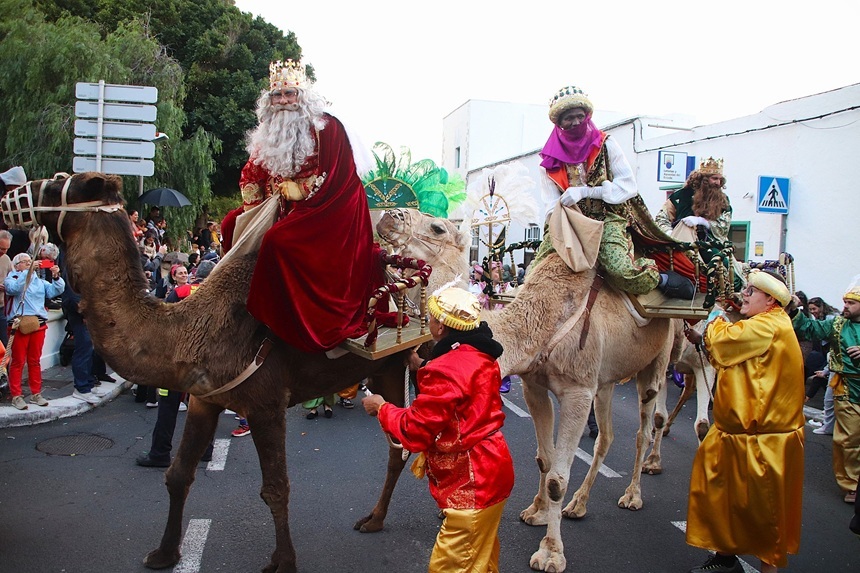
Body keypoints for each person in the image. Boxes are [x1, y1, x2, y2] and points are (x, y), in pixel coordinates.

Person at [219, 59, 375, 353]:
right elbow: (253, 171)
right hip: (278, 204)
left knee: (279, 240)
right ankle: (240, 298)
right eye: (277, 96)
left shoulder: (328, 127)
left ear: (302, 96)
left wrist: (302, 191)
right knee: (230, 223)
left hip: (327, 211)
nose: (283, 101)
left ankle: (277, 318)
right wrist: (254, 204)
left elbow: (340, 178)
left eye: (289, 94)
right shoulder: (269, 129)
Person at [362, 286, 514, 572]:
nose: (427, 322)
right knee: (480, 561)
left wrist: (382, 407)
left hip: (472, 484)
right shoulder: (480, 355)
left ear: (441, 326)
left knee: (452, 566)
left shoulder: (443, 371)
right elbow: (460, 379)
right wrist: (422, 365)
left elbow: (415, 432)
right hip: (495, 469)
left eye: (430, 318)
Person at [683, 270, 804, 573]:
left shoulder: (769, 325)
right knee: (723, 500)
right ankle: (726, 560)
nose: (745, 294)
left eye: (752, 291)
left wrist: (713, 314)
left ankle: (768, 570)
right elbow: (733, 359)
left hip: (764, 441)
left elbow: (725, 340)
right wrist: (701, 340)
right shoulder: (760, 324)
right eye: (746, 288)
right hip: (737, 434)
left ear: (770, 299)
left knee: (765, 516)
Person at [535, 86, 690, 299]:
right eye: (569, 118)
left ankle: (664, 280)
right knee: (537, 270)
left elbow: (627, 186)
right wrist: (556, 230)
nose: (576, 122)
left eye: (580, 116)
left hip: (606, 218)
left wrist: (587, 192)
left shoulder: (606, 144)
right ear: (559, 123)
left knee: (621, 272)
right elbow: (551, 205)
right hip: (569, 222)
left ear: (587, 116)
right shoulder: (548, 160)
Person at [137, 259, 217, 467]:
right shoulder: (218, 297)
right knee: (204, 408)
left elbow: (163, 321)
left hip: (175, 360)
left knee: (168, 407)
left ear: (196, 274)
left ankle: (160, 453)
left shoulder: (181, 292)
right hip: (203, 363)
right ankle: (205, 450)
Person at [792, 281, 860, 505]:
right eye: (845, 302)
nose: (845, 306)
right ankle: (852, 484)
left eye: (851, 303)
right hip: (848, 388)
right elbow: (811, 329)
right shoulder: (838, 324)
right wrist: (794, 310)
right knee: (848, 440)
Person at [4, 252, 66, 410]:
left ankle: (36, 393)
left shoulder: (39, 281)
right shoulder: (12, 278)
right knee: (18, 361)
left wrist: (56, 276)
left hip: (38, 324)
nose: (28, 264)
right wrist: (29, 271)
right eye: (24, 262)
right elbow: (15, 289)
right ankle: (16, 395)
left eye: (29, 262)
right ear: (17, 266)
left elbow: (54, 291)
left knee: (34, 360)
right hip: (20, 324)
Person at [0, 230, 13, 348]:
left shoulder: (6, 259)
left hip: (1, 307)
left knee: (4, 344)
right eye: (1, 248)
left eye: (6, 249)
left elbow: (13, 276)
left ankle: (3, 367)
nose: (4, 252)